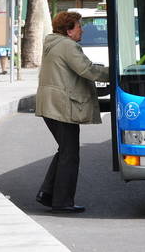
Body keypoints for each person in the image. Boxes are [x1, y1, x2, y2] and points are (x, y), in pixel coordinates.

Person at [35, 11, 109, 213]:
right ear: (68, 30)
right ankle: (62, 202)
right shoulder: (68, 46)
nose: (81, 29)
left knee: (65, 151)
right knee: (70, 154)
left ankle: (48, 193)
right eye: (78, 26)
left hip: (51, 104)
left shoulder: (54, 43)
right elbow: (88, 70)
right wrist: (118, 73)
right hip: (61, 106)